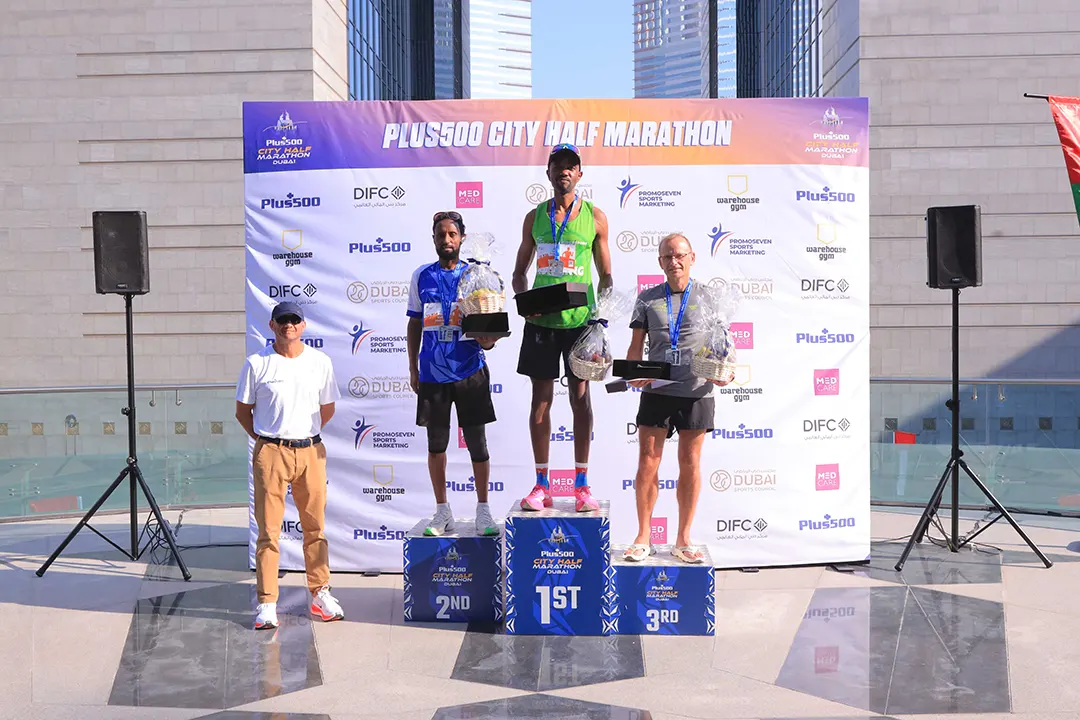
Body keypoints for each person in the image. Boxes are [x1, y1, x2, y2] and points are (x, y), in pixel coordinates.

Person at [512, 144, 613, 513]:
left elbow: (607, 277)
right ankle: (542, 485)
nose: (564, 172)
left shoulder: (596, 217)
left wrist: (600, 317)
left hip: (579, 323)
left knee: (581, 399)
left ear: (580, 174)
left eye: (571, 167)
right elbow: (518, 274)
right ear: (548, 172)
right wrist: (526, 306)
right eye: (558, 166)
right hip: (542, 322)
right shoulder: (534, 217)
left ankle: (582, 485)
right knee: (540, 402)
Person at [623, 233, 733, 564]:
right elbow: (635, 344)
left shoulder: (711, 297)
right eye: (667, 256)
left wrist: (726, 371)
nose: (674, 261)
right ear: (660, 262)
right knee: (648, 462)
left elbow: (722, 344)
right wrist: (631, 372)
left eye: (680, 255)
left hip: (696, 390)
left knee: (690, 463)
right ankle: (643, 536)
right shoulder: (646, 298)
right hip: (657, 391)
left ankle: (683, 538)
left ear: (692, 257)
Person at [235, 301, 345, 629]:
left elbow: (327, 408)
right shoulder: (257, 364)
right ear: (272, 326)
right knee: (269, 531)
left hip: (310, 451)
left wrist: (303, 436)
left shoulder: (319, 362)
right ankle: (267, 602)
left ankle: (320, 594)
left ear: (303, 325)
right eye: (282, 320)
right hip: (271, 452)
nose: (289, 326)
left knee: (316, 528)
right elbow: (243, 411)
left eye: (294, 320)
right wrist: (269, 440)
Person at [407, 211, 501, 537]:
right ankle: (442, 511)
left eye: (452, 234)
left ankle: (484, 510)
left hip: (469, 371)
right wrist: (413, 366)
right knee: (436, 444)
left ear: (461, 238)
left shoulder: (477, 276)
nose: (446, 240)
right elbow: (415, 322)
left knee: (477, 443)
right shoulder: (422, 276)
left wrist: (489, 339)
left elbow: (488, 328)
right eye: (440, 234)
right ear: (433, 239)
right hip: (433, 373)